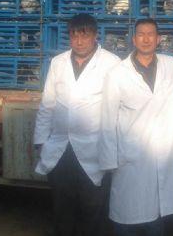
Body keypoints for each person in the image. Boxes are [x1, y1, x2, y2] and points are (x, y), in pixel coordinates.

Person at [33, 13, 120, 236]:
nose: (79, 41)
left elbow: (117, 109)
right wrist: (40, 141)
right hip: (61, 148)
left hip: (95, 148)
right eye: (74, 36)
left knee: (93, 208)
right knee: (63, 207)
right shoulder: (58, 62)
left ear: (95, 35)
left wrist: (115, 148)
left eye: (84, 35)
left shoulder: (111, 63)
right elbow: (47, 104)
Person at [99, 18, 173, 236]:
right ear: (134, 39)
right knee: (126, 218)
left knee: (156, 218)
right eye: (141, 34)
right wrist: (110, 161)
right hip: (129, 157)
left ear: (158, 39)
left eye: (151, 34)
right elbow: (107, 120)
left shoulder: (170, 65)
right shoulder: (117, 74)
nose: (146, 39)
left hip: (160, 154)